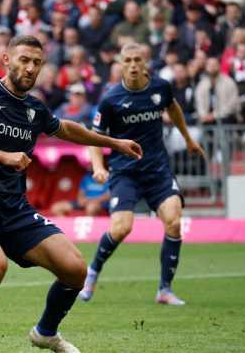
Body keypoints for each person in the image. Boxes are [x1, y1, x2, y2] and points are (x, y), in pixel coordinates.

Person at [0, 35, 143, 353]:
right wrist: (3, 156)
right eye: (24, 59)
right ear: (6, 59)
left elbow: (66, 128)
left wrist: (114, 143)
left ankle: (45, 333)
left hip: (14, 207)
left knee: (75, 270)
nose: (30, 67)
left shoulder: (35, 109)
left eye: (37, 62)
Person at [80, 42, 206, 306]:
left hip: (157, 170)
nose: (133, 65)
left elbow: (173, 109)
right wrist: (98, 167)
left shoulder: (160, 88)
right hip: (125, 173)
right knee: (122, 227)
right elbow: (94, 138)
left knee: (173, 220)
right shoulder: (110, 99)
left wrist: (188, 139)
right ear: (120, 64)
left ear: (146, 61)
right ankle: (93, 271)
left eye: (138, 59)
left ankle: (164, 289)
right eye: (128, 61)